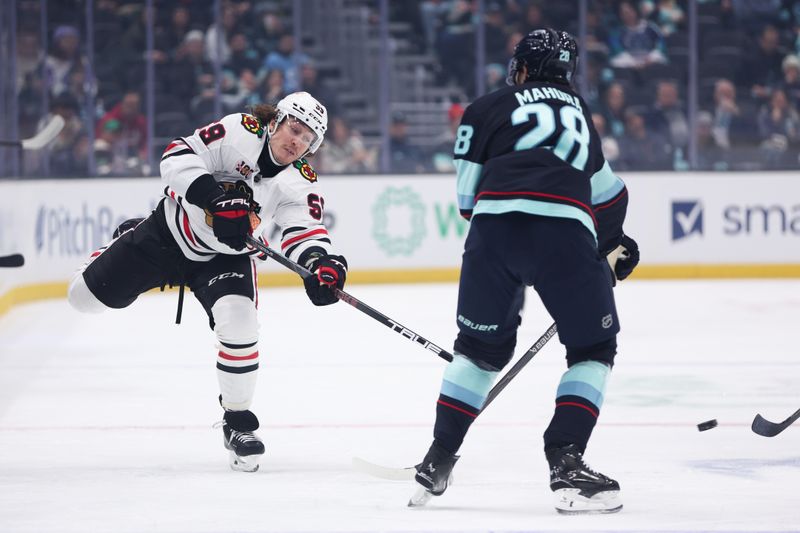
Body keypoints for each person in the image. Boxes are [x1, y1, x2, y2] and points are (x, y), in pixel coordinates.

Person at [410, 29, 639, 514]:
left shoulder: (485, 107)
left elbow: (467, 202)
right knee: (593, 348)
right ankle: (566, 460)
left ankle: (438, 457)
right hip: (565, 236)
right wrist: (610, 245)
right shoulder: (581, 113)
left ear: (524, 67)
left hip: (494, 233)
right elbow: (611, 194)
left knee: (477, 352)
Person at [67, 91, 348, 473]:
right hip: (166, 236)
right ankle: (122, 239)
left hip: (224, 258)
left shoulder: (300, 182)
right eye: (294, 129)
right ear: (275, 121)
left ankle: (238, 423)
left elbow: (305, 231)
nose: (296, 141)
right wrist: (214, 198)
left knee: (241, 325)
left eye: (307, 139)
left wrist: (319, 264)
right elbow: (176, 155)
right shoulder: (239, 131)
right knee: (81, 298)